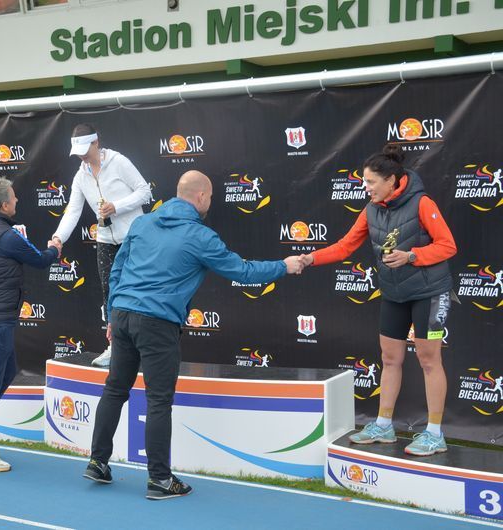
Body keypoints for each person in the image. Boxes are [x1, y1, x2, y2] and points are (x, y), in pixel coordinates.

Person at [84, 170, 303, 500]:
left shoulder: (142, 223)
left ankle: (97, 462)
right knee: (158, 400)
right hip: (157, 323)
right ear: (200, 197)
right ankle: (160, 479)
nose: (210, 202)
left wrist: (114, 312)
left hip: (123, 315)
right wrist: (284, 266)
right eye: (210, 197)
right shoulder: (200, 236)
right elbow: (243, 272)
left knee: (115, 389)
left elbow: (117, 269)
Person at [300, 144, 457, 456]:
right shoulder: (370, 209)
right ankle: (384, 426)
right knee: (389, 358)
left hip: (429, 292)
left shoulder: (422, 203)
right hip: (394, 293)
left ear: (390, 180)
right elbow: (345, 246)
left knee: (428, 360)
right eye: (365, 181)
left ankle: (434, 433)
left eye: (371, 181)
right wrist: (310, 258)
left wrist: (412, 255)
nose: (366, 187)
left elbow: (448, 245)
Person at [0, 177, 61, 472]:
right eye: (14, 198)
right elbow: (40, 260)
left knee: (6, 371)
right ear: (4, 205)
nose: (17, 200)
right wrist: (55, 249)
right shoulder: (7, 236)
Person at [51, 123, 152, 368]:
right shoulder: (80, 175)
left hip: (134, 238)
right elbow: (73, 210)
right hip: (105, 239)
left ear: (96, 143)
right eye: (78, 152)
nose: (82, 156)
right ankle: (115, 347)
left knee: (139, 291)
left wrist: (117, 206)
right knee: (109, 292)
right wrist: (58, 237)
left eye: (85, 150)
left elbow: (144, 192)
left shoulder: (119, 162)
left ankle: (145, 347)